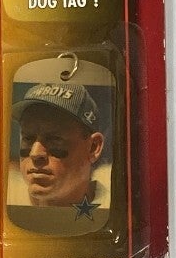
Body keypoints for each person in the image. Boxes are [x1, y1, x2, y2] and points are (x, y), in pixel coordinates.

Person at [14, 81, 107, 215]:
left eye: (54, 139)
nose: (35, 153)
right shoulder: (0, 202)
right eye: (28, 138)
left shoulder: (119, 211)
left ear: (93, 147)